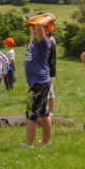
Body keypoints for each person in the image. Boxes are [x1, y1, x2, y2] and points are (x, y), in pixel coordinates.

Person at [21, 13, 56, 148]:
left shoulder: (44, 43)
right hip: (40, 82)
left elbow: (39, 24)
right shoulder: (35, 41)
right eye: (32, 28)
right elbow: (31, 21)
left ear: (47, 30)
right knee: (43, 112)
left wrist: (50, 18)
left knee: (31, 114)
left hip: (38, 83)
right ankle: (46, 143)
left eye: (39, 28)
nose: (34, 29)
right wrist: (44, 15)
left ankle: (29, 145)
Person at [46, 27, 57, 115]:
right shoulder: (51, 40)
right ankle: (50, 110)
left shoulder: (48, 42)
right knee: (50, 90)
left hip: (48, 69)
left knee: (47, 91)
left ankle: (46, 111)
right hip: (51, 69)